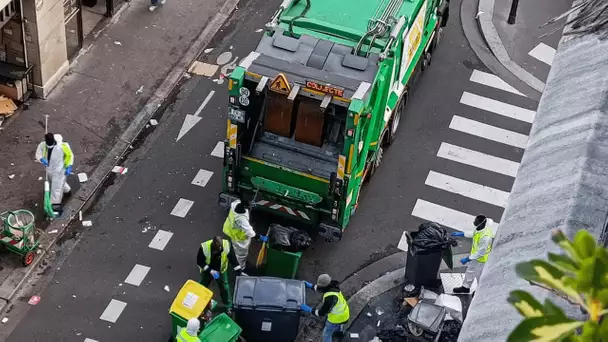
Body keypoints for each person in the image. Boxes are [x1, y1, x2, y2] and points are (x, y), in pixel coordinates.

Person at [451, 215, 496, 294]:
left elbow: (481, 252)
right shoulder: (480, 228)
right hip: (474, 257)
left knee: (480, 275)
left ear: (481, 223)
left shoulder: (486, 237)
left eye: (476, 221)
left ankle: (480, 291)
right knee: (470, 270)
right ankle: (466, 287)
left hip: (482, 260)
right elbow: (474, 234)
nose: (474, 222)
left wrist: (468, 258)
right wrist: (462, 234)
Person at [300, 274, 350, 342]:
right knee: (339, 325)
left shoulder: (329, 298)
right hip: (345, 313)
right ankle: (339, 333)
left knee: (326, 334)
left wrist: (309, 309)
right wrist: (310, 286)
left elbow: (321, 313)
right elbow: (321, 288)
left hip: (336, 318)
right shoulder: (333, 285)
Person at [197, 236, 243, 310]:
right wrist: (211, 271)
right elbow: (200, 262)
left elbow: (233, 259)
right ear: (213, 247)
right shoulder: (204, 248)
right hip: (208, 271)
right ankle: (198, 300)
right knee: (202, 286)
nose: (219, 250)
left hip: (221, 270)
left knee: (225, 288)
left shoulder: (226, 246)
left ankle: (228, 306)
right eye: (217, 250)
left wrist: (239, 272)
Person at [222, 199, 268, 270]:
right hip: (239, 237)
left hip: (230, 229)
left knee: (235, 247)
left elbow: (240, 201)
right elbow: (250, 232)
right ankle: (241, 267)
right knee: (241, 254)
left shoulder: (235, 204)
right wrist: (259, 237)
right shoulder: (241, 218)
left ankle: (234, 255)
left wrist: (249, 203)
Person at [35, 133, 74, 212]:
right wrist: (41, 159)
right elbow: (38, 154)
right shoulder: (43, 145)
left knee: (56, 189)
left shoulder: (62, 146)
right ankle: (67, 190)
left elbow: (69, 155)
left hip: (59, 170)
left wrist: (69, 166)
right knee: (55, 183)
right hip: (49, 169)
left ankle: (54, 205)